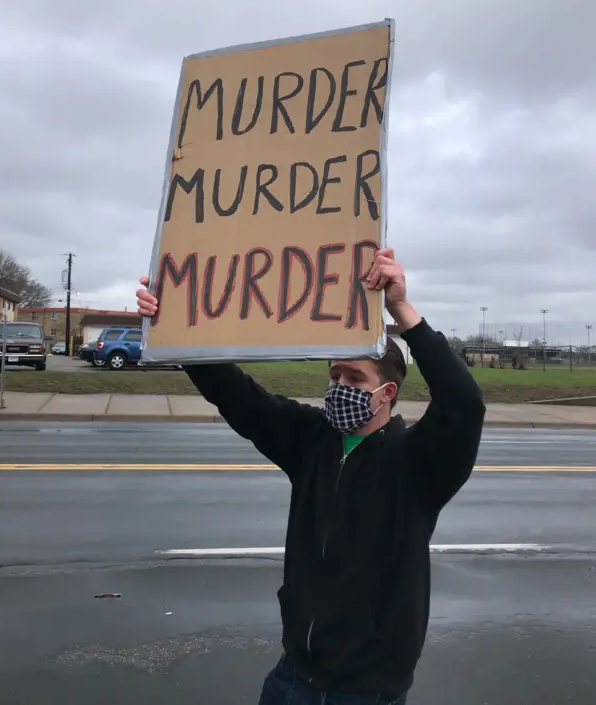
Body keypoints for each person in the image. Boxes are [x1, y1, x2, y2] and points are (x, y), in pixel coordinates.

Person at [136, 247, 485, 705]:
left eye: (355, 379)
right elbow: (239, 397)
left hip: (366, 689)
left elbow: (464, 404)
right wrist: (179, 326)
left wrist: (401, 309)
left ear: (387, 393)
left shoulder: (419, 462)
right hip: (292, 675)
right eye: (334, 374)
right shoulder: (311, 440)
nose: (339, 387)